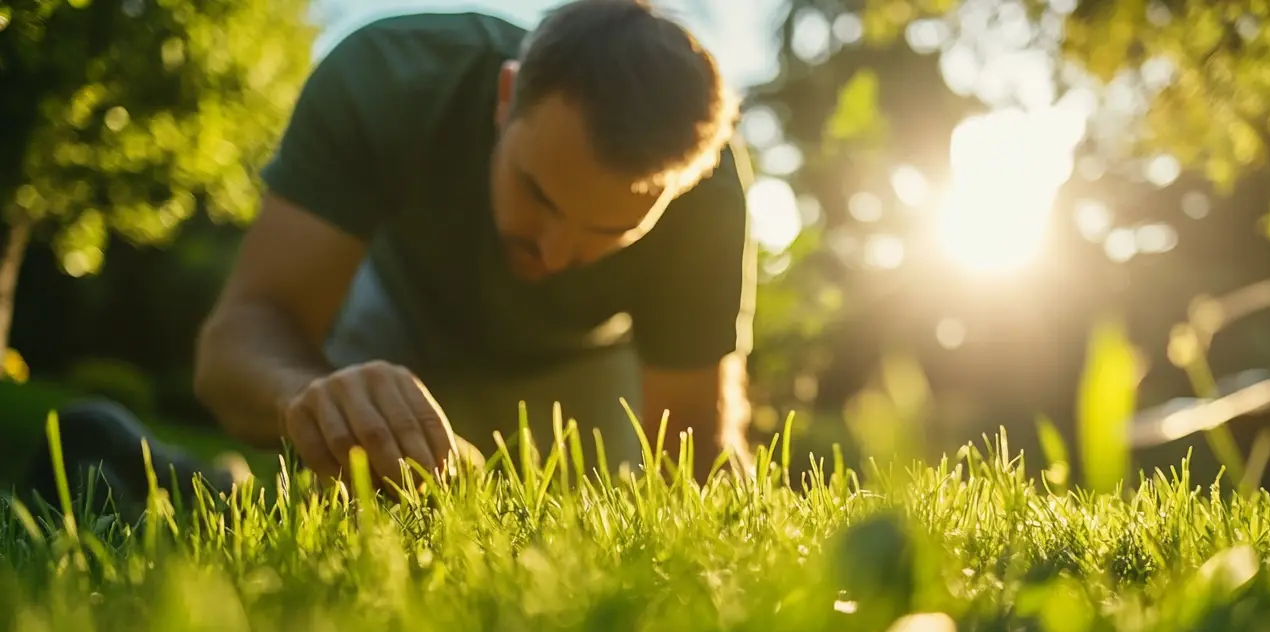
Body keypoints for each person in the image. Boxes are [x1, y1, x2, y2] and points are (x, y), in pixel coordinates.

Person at [21, 0, 758, 507]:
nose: (557, 250)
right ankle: (213, 491)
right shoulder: (390, 79)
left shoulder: (712, 193)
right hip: (399, 324)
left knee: (573, 534)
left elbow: (696, 445)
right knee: (343, 503)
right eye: (537, 192)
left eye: (610, 231)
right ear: (506, 99)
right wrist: (311, 401)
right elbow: (239, 336)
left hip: (586, 372)